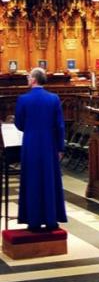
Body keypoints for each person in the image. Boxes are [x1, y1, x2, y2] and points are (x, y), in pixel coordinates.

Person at [15, 67, 67, 231]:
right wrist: (60, 147)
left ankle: (33, 220)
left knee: (32, 180)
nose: (28, 80)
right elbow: (59, 125)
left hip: (30, 143)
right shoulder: (53, 99)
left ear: (34, 79)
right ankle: (51, 219)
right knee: (49, 179)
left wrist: (31, 129)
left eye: (29, 77)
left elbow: (19, 123)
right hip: (49, 144)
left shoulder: (23, 99)